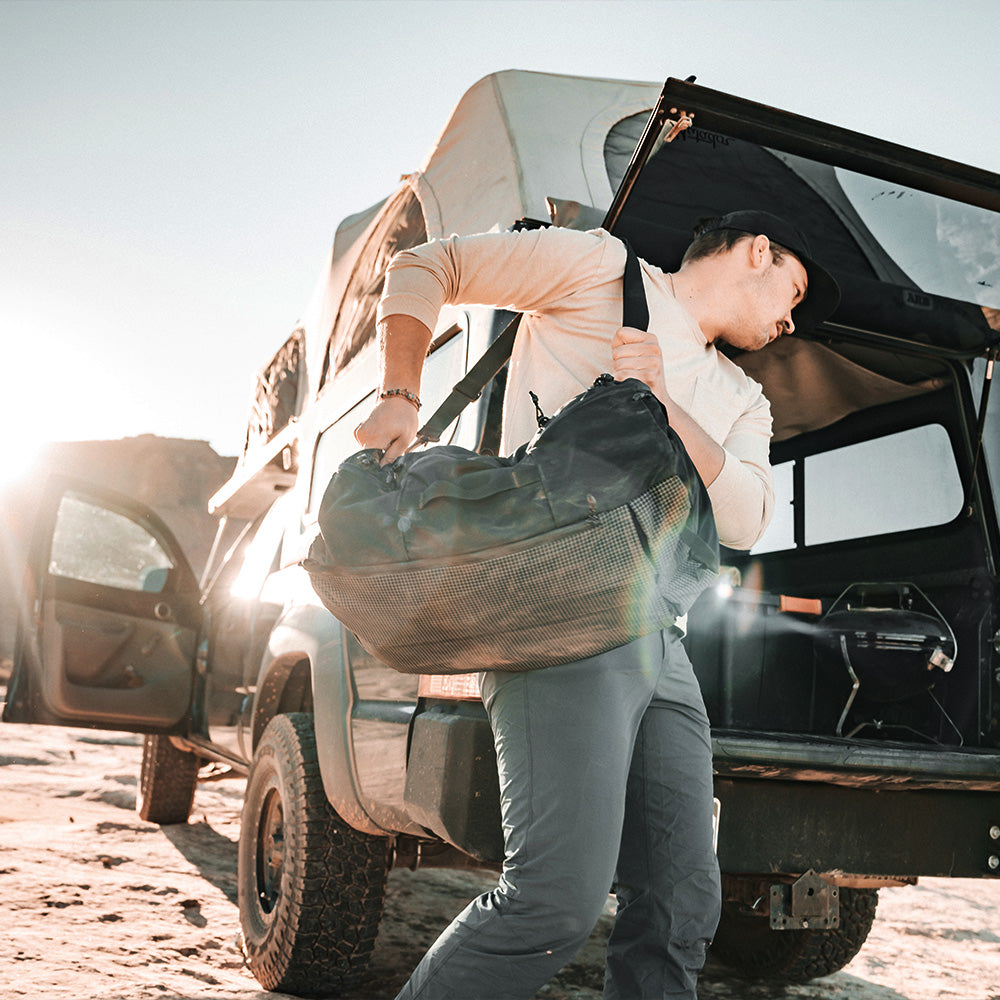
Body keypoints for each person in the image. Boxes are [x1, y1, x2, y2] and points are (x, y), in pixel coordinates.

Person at [355, 209, 840, 1000]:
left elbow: (748, 518)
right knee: (551, 903)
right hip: (558, 614)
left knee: (683, 903)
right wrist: (401, 396)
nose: (791, 320)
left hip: (662, 641)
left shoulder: (742, 397)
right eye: (793, 290)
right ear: (759, 251)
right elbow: (422, 267)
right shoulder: (597, 270)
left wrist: (661, 402)